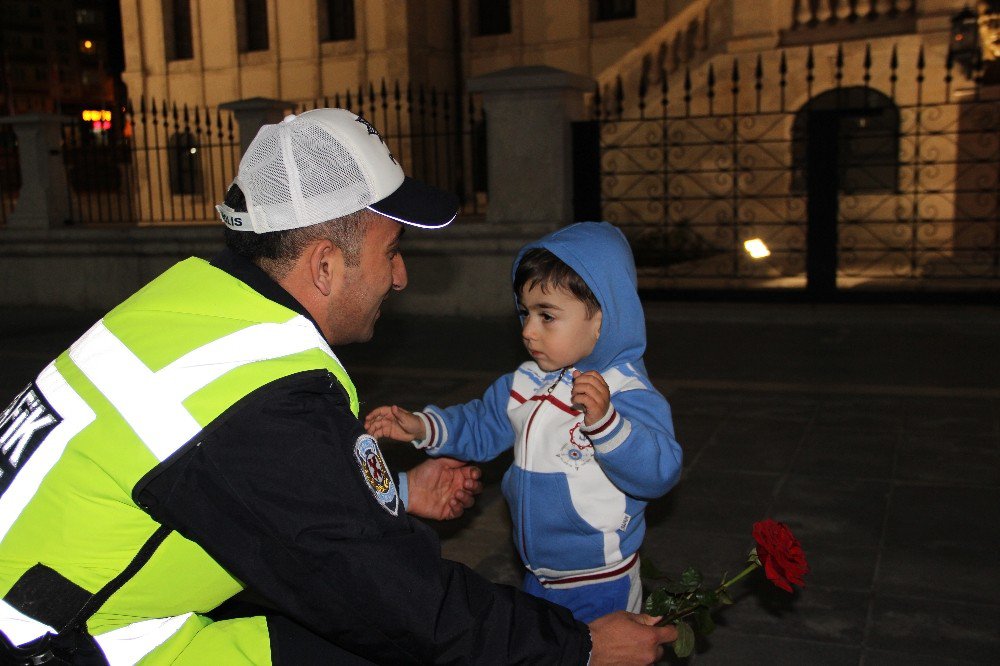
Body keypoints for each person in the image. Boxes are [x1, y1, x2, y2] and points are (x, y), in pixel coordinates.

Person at [0, 108, 676, 664]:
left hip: (64, 604)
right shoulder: (264, 398)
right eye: (391, 253)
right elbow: (387, 594)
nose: (402, 277)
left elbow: (257, 491)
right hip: (52, 644)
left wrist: (400, 493)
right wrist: (577, 646)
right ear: (325, 266)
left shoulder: (193, 302)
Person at [366, 221, 684, 624]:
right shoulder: (527, 380)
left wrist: (607, 425)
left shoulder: (625, 393)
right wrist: (423, 428)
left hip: (602, 581)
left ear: (603, 318)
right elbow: (481, 424)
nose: (529, 331)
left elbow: (659, 472)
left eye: (547, 316)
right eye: (524, 312)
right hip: (538, 575)